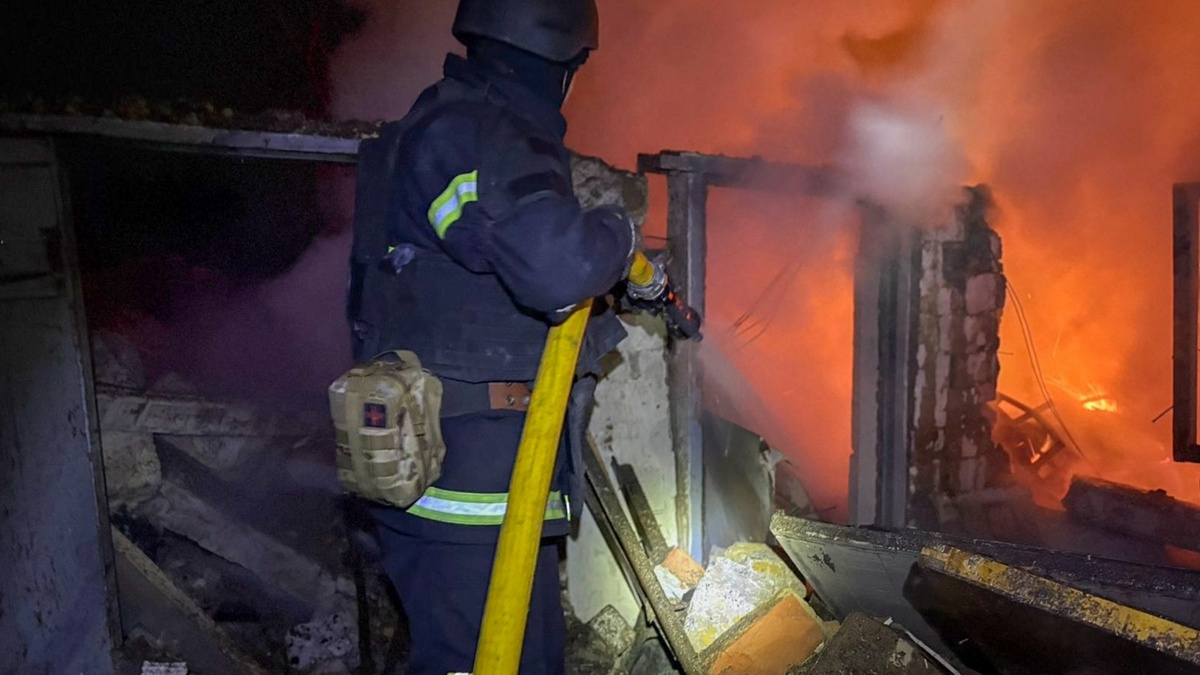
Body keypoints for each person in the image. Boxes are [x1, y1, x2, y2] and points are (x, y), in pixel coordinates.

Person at [345, 0, 653, 672]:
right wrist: (618, 231)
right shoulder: (478, 132)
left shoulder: (440, 123)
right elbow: (556, 267)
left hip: (457, 476)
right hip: (467, 484)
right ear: (563, 62)